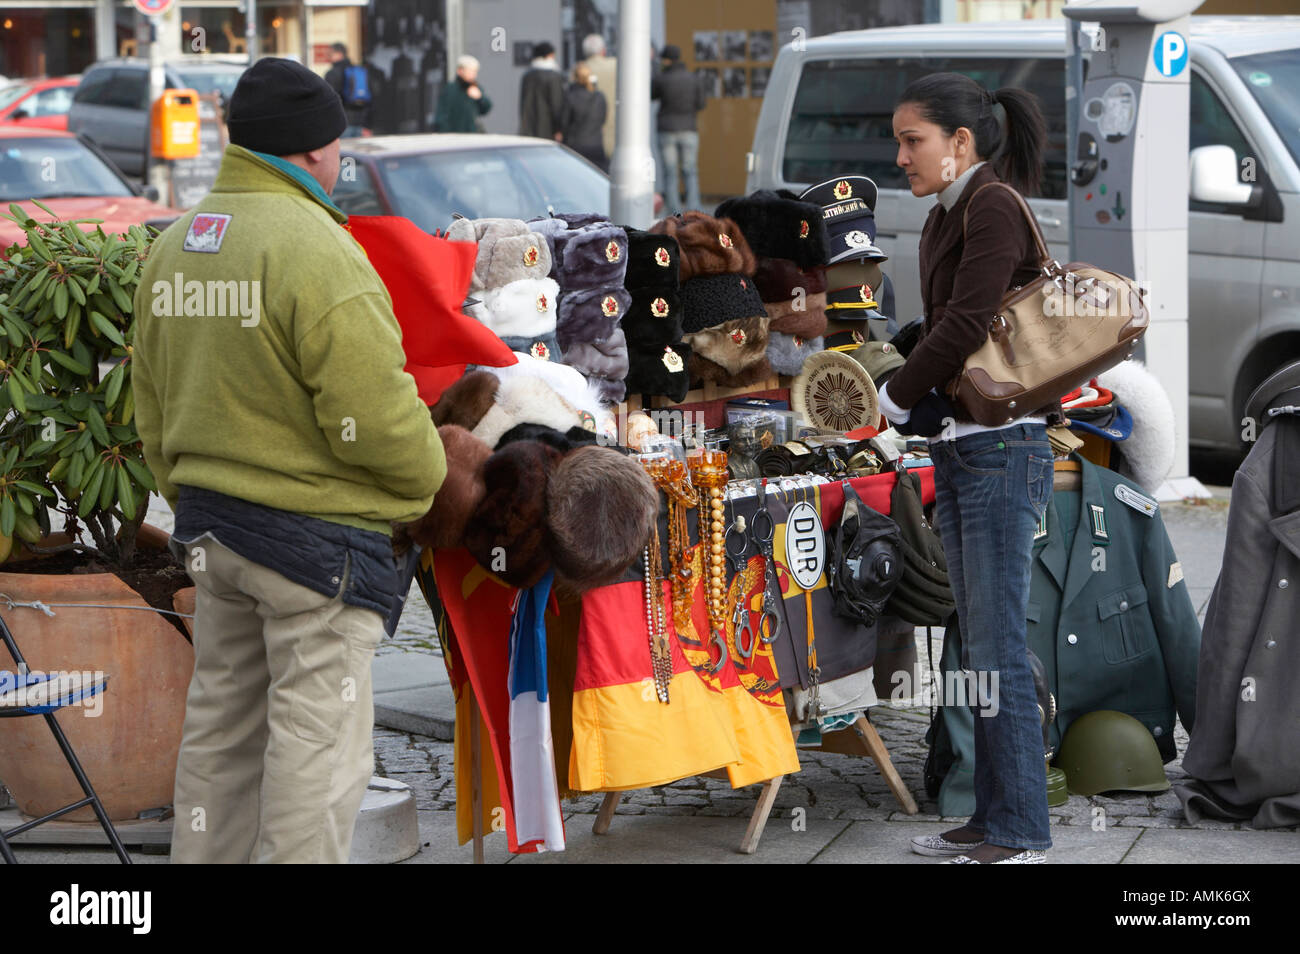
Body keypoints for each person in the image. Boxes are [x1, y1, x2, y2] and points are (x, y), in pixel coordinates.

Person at [132, 57, 446, 864]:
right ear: (311, 151)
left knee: (221, 734)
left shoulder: (175, 249)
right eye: (338, 145)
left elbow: (152, 410)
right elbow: (377, 417)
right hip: (317, 551)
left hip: (211, 530)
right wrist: (427, 483)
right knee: (317, 750)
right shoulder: (318, 251)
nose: (342, 160)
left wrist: (195, 491)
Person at [875, 72, 1056, 864]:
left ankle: (1021, 829)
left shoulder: (993, 205)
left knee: (998, 649)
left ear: (960, 143)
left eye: (912, 141)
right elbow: (943, 325)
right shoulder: (954, 209)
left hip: (1000, 451)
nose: (902, 157)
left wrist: (892, 396)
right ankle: (990, 819)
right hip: (965, 449)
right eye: (898, 142)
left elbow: (970, 322)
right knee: (980, 646)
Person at [651, 44, 706, 214]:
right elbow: (701, 103)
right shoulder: (693, 78)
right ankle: (694, 208)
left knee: (670, 173)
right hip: (689, 128)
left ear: (666, 60)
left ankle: (675, 212)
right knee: (690, 171)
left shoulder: (661, 78)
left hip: (667, 130)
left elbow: (651, 94)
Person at [560, 63, 609, 172]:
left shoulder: (570, 96)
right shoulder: (599, 96)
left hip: (575, 147)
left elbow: (564, 123)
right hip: (596, 146)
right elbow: (603, 119)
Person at [581, 33, 617, 164]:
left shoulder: (580, 69)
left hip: (587, 133)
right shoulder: (615, 65)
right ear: (603, 50)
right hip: (613, 125)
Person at [323, 42, 372, 137]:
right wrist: (368, 125)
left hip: (342, 124)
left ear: (339, 54)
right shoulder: (359, 71)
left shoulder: (332, 73)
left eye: (330, 54)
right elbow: (371, 98)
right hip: (361, 123)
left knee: (343, 151)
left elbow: (329, 100)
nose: (328, 56)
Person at [519, 40, 565, 140]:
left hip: (528, 128)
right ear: (549, 55)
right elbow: (556, 104)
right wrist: (558, 129)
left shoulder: (527, 76)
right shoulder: (554, 76)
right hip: (548, 130)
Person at [433, 55, 491, 133]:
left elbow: (486, 108)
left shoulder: (475, 87)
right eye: (470, 71)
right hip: (455, 136)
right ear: (460, 71)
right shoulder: (450, 89)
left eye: (475, 72)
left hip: (472, 134)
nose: (473, 75)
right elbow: (441, 116)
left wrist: (480, 98)